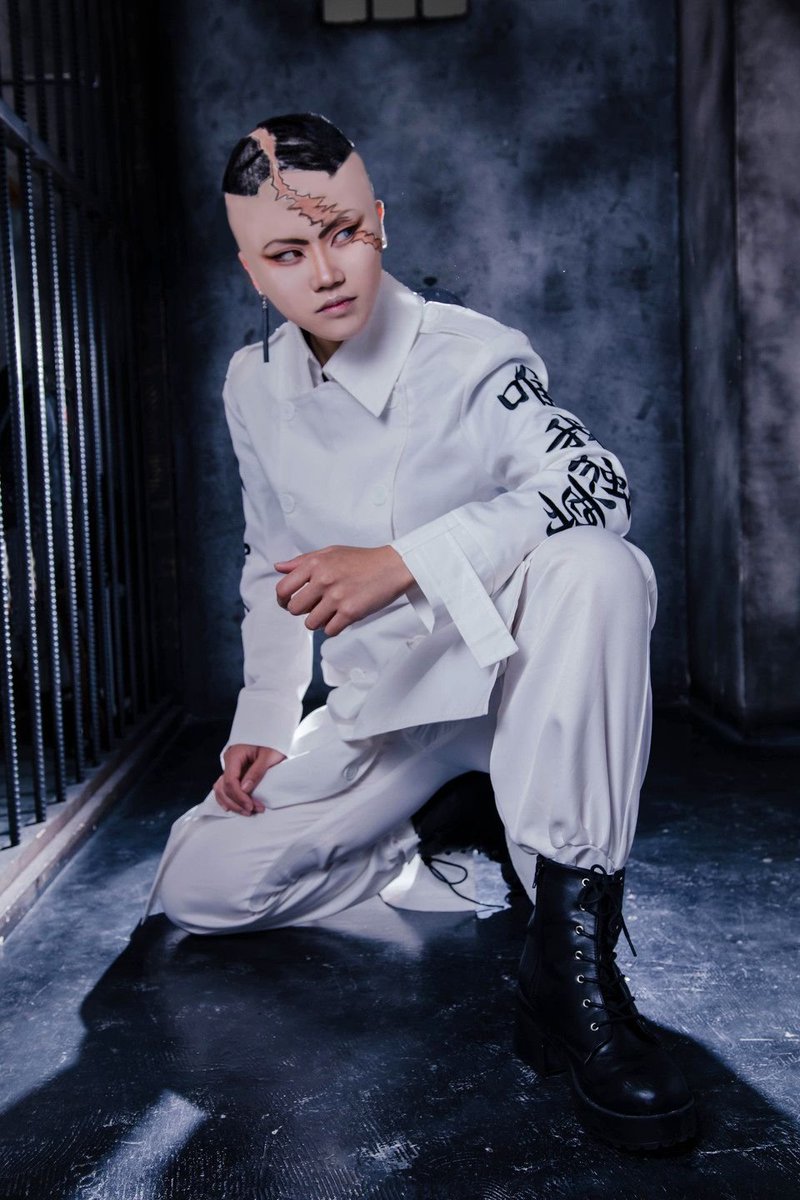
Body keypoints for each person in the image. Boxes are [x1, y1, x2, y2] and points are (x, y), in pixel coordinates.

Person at [140, 112, 695, 1149]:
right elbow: (268, 558)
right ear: (250, 270)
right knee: (200, 887)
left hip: (508, 684)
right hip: (386, 711)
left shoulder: (473, 356)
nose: (325, 273)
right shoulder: (251, 384)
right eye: (286, 253)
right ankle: (449, 822)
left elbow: (599, 483)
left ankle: (570, 965)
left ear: (380, 223)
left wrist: (403, 561)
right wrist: (264, 716)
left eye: (343, 233)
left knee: (598, 566)